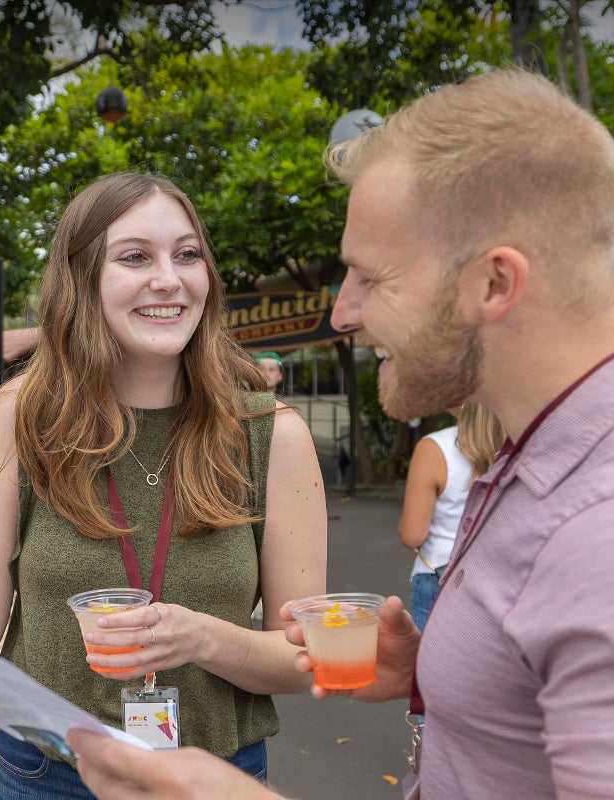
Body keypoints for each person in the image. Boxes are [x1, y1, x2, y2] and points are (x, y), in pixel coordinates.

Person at [67, 68, 614, 800]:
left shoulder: (595, 535)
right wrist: (439, 672)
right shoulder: (536, 456)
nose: (345, 312)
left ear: (493, 284)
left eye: (369, 278)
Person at [0, 172, 327, 798]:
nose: (169, 278)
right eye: (135, 256)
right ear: (82, 279)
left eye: (187, 254)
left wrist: (200, 638)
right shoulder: (21, 418)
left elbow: (303, 661)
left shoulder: (270, 435)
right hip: (45, 774)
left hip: (214, 777)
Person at [397, 403, 503, 631]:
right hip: (501, 577)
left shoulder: (434, 449)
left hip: (439, 575)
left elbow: (412, 535)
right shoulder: (519, 444)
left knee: (433, 664)